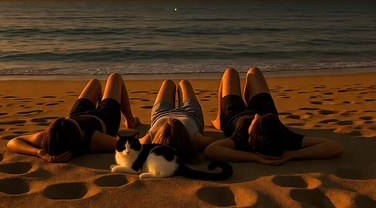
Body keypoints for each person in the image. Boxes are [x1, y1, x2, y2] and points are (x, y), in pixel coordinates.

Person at [205, 67, 343, 164]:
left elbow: (211, 150)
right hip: (267, 111)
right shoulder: (285, 136)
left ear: (251, 138)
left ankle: (219, 120)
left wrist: (255, 158)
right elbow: (334, 146)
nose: (256, 116)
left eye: (256, 121)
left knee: (230, 72)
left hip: (233, 113)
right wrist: (291, 155)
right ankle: (262, 113)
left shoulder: (240, 137)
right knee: (254, 72)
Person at [7, 72, 140, 163]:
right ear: (80, 133)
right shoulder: (94, 139)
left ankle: (101, 102)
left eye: (66, 120)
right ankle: (130, 120)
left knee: (94, 83)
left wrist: (39, 153)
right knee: (115, 77)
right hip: (105, 116)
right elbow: (132, 144)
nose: (67, 119)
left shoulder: (53, 137)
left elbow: (13, 141)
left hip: (78, 112)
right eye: (71, 122)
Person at [139, 79, 214, 162]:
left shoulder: (150, 140)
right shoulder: (196, 140)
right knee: (184, 83)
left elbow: (130, 144)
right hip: (190, 113)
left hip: (161, 113)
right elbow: (212, 142)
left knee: (168, 83)